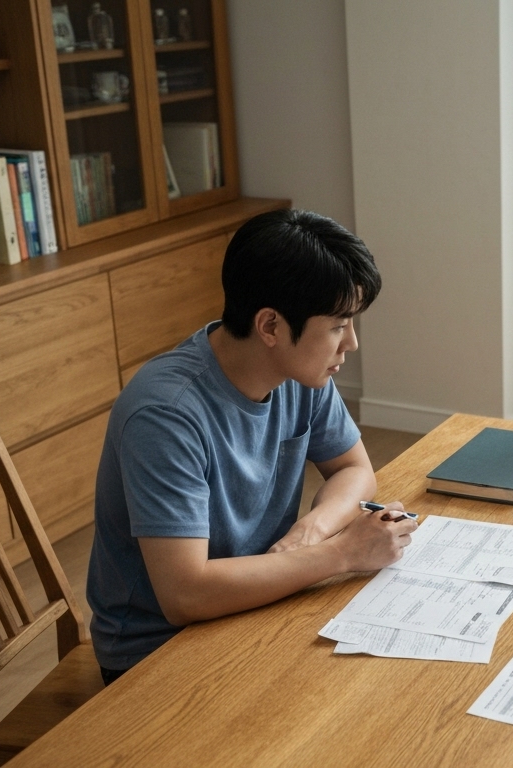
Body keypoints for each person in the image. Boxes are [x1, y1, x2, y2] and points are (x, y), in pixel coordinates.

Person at [87, 209, 417, 684]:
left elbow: (355, 470)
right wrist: (342, 553)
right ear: (270, 327)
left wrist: (311, 533)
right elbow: (185, 596)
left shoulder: (300, 374)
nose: (352, 344)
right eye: (338, 325)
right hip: (158, 653)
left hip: (258, 602)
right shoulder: (165, 414)